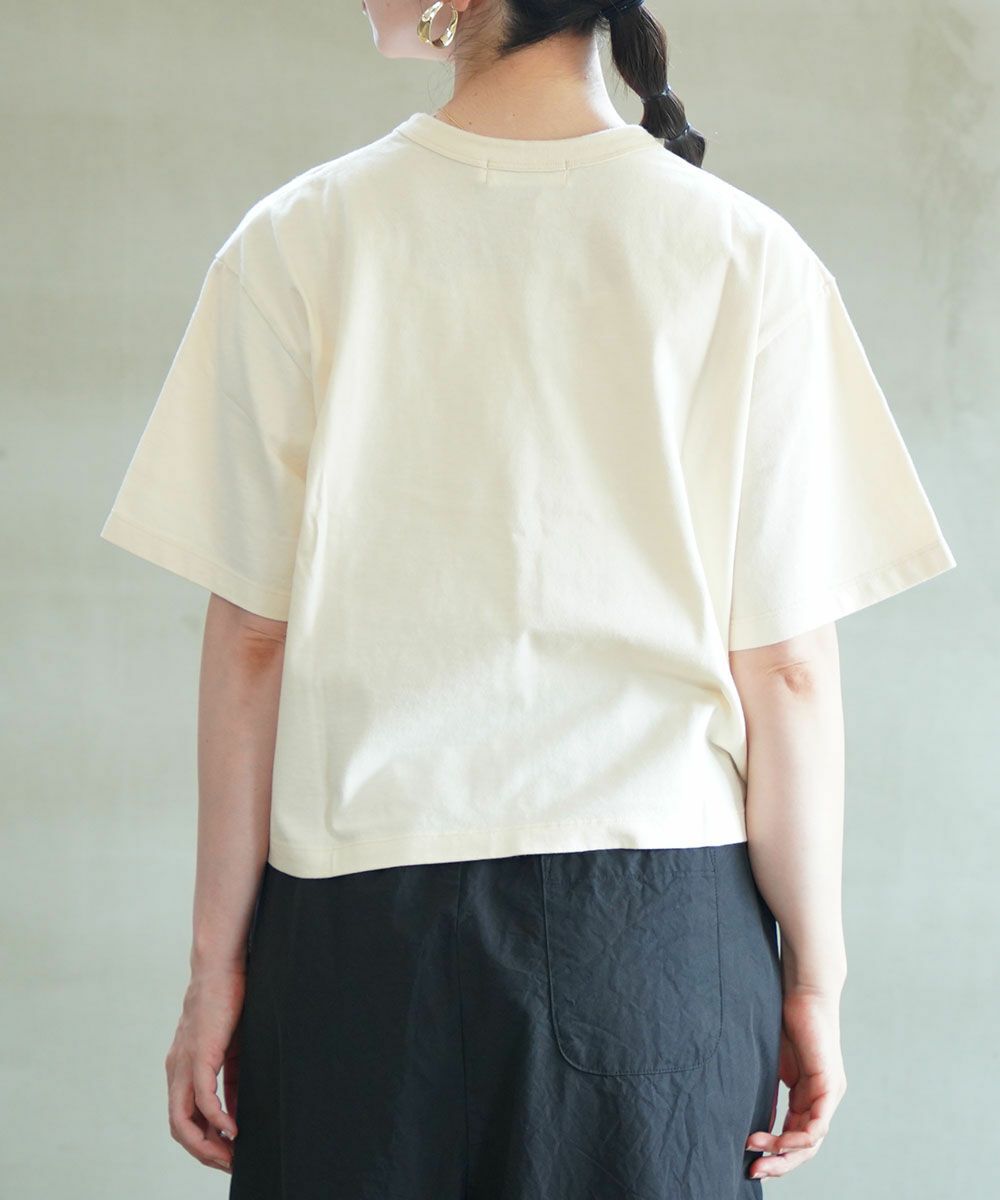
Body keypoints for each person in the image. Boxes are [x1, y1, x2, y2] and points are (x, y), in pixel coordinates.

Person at [99, 0, 957, 1196]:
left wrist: (213, 971)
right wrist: (813, 978)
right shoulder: (744, 253)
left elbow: (252, 639)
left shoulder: (298, 238)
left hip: (361, 931)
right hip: (656, 933)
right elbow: (789, 670)